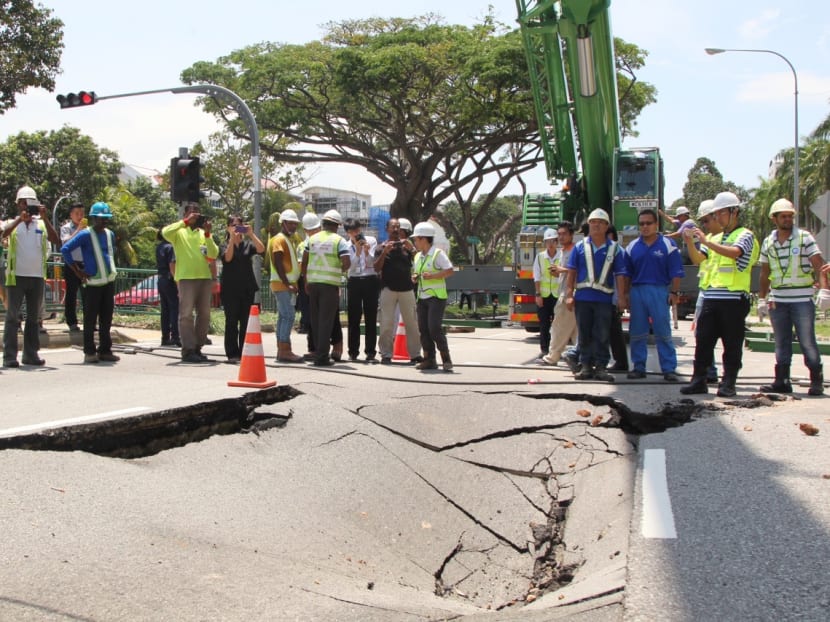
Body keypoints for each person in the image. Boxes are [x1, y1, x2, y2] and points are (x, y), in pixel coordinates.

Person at [681, 191, 759, 397]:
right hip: (711, 297)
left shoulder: (745, 235)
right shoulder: (714, 238)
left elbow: (735, 253)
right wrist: (691, 242)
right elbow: (698, 259)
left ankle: (728, 382)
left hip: (733, 299)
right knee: (703, 341)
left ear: (735, 212)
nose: (718, 218)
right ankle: (699, 380)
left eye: (721, 213)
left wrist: (706, 242)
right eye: (716, 214)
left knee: (732, 343)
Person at [757, 198, 825, 396]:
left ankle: (816, 380)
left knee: (807, 341)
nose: (787, 219)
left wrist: (824, 289)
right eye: (783, 216)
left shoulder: (804, 238)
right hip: (778, 300)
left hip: (802, 299)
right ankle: (782, 381)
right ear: (774, 219)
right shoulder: (769, 242)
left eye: (790, 216)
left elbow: (818, 264)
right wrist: (762, 298)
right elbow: (764, 272)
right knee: (781, 342)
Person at [562, 208, 628, 382]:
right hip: (583, 298)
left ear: (607, 226)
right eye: (593, 222)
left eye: (600, 222)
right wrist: (569, 294)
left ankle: (601, 367)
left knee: (602, 335)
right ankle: (585, 366)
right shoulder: (579, 247)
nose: (596, 225)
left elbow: (620, 275)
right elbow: (571, 272)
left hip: (604, 300)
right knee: (584, 334)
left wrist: (622, 297)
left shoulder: (615, 249)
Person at [2, 186, 60, 367]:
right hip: (16, 276)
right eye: (24, 203)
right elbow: (3, 234)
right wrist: (20, 220)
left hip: (36, 277)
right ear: (18, 204)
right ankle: (9, 356)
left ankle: (30, 354)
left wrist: (45, 218)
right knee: (13, 317)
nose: (27, 206)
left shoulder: (40, 224)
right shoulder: (12, 222)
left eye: (31, 203)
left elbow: (55, 240)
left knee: (34, 318)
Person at [624, 209, 685, 382]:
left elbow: (676, 272)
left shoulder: (668, 244)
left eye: (648, 223)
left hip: (659, 291)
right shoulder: (632, 247)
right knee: (637, 331)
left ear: (656, 224)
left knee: (662, 330)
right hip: (637, 291)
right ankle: (638, 367)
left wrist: (674, 292)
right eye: (641, 223)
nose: (645, 226)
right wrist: (626, 295)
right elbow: (626, 274)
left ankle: (669, 369)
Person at [60, 202, 120, 364]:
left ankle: (105, 350)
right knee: (90, 319)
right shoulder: (85, 234)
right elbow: (65, 249)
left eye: (106, 218)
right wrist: (77, 271)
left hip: (108, 282)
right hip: (93, 284)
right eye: (101, 218)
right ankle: (89, 351)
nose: (104, 221)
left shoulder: (109, 234)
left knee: (106, 319)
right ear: (93, 218)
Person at [162, 203, 219, 364]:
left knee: (204, 314)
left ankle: (197, 347)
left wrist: (208, 234)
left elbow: (213, 254)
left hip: (204, 278)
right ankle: (188, 350)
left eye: (197, 213)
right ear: (185, 214)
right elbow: (165, 232)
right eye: (192, 213)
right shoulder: (179, 232)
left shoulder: (203, 233)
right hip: (186, 278)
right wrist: (186, 222)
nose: (195, 215)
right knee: (186, 314)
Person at [301, 209, 350, 367]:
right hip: (329, 286)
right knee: (326, 321)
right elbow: (346, 262)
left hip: (313, 284)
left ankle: (318, 352)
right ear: (337, 225)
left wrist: (306, 281)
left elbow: (304, 262)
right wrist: (338, 269)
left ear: (323, 224)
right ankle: (322, 357)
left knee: (316, 321)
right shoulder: (339, 241)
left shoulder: (312, 239)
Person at [374, 217, 421, 364]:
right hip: (388, 289)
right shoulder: (381, 247)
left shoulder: (406, 246)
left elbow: (420, 261)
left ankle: (415, 354)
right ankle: (386, 354)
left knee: (412, 323)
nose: (396, 229)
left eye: (398, 227)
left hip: (407, 289)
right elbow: (376, 268)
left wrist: (412, 249)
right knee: (386, 323)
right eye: (393, 227)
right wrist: (384, 252)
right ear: (387, 229)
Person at [684, 199, 720, 383]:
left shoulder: (735, 237)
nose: (705, 225)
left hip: (728, 294)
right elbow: (698, 260)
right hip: (706, 291)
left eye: (706, 220)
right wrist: (690, 242)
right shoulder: (708, 240)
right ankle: (708, 371)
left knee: (728, 337)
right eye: (703, 222)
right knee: (702, 334)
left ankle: (727, 377)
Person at [220, 214, 265, 364]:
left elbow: (261, 249)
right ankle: (232, 354)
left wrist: (251, 234)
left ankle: (244, 352)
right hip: (230, 290)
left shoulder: (247, 245)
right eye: (233, 225)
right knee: (231, 322)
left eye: (239, 225)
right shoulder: (224, 245)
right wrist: (232, 239)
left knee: (246, 322)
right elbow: (227, 258)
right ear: (228, 228)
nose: (236, 228)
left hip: (247, 289)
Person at [411, 221, 454, 371]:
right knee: (423, 330)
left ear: (423, 239)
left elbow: (449, 270)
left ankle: (446, 359)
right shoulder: (418, 256)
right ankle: (429, 359)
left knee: (434, 328)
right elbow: (417, 272)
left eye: (416, 239)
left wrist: (433, 276)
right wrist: (415, 277)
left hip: (436, 297)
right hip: (421, 298)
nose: (415, 242)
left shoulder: (437, 253)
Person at [344, 218, 380, 362]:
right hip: (354, 280)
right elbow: (350, 267)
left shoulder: (371, 240)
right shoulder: (346, 246)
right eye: (353, 232)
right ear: (348, 233)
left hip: (370, 279)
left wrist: (366, 251)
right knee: (354, 317)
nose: (357, 234)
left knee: (371, 317)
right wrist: (358, 252)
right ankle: (353, 352)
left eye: (358, 230)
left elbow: (373, 263)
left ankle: (370, 352)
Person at [270, 207, 304, 363]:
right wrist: (287, 283)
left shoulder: (286, 239)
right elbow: (278, 262)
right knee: (288, 316)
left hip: (284, 284)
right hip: (282, 284)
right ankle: (284, 350)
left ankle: (282, 349)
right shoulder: (279, 239)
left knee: (283, 316)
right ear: (283, 223)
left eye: (295, 224)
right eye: (290, 223)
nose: (293, 226)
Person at [542, 221, 578, 367]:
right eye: (559, 234)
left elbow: (579, 270)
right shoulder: (563, 251)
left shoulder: (576, 251)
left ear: (572, 235)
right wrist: (558, 273)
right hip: (565, 292)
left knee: (559, 327)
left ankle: (552, 357)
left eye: (564, 234)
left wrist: (562, 270)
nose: (561, 237)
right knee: (576, 330)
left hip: (569, 293)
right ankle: (582, 357)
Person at [59, 202, 87, 332]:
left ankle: (90, 322)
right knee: (71, 294)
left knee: (88, 294)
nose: (80, 216)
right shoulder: (66, 228)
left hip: (85, 264)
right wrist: (78, 231)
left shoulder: (88, 229)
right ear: (71, 215)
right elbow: (65, 243)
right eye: (77, 213)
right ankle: (72, 322)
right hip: (71, 264)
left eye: (82, 213)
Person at [533, 228, 559, 359]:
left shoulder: (562, 256)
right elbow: (537, 277)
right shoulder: (540, 257)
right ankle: (544, 350)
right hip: (544, 296)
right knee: (544, 324)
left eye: (552, 241)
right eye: (548, 241)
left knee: (558, 325)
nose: (550, 244)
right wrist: (538, 295)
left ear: (556, 242)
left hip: (557, 296)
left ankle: (556, 351)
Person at [156, 228, 179, 347]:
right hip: (170, 280)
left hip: (161, 279)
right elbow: (172, 265)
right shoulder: (171, 247)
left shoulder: (160, 246)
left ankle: (165, 337)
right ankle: (175, 336)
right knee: (174, 308)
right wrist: (177, 282)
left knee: (165, 310)